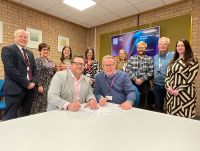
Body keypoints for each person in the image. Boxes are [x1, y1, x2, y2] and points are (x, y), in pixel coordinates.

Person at [1, 29, 37, 121]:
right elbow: (10, 70)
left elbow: (34, 70)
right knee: (10, 116)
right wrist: (26, 83)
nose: (23, 39)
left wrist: (33, 82)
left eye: (25, 37)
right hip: (14, 89)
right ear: (14, 37)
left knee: (25, 115)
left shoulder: (30, 53)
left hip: (30, 90)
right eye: (20, 36)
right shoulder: (7, 50)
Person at [165, 39, 199, 119]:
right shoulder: (172, 60)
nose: (180, 47)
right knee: (172, 118)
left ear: (186, 47)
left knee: (186, 118)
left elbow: (191, 76)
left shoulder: (192, 59)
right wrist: (168, 87)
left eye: (182, 46)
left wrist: (179, 89)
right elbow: (167, 76)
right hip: (171, 94)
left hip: (185, 94)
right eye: (178, 46)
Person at [127, 41, 153, 109]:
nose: (140, 49)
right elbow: (128, 71)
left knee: (144, 101)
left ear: (145, 49)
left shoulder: (149, 59)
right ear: (137, 48)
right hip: (133, 82)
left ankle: (143, 117)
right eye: (139, 47)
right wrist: (135, 79)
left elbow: (150, 72)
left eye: (142, 47)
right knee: (133, 100)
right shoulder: (131, 58)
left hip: (145, 83)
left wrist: (141, 80)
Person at [31, 43, 55, 114]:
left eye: (47, 50)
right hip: (42, 85)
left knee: (47, 103)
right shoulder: (38, 60)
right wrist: (39, 85)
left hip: (49, 85)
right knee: (40, 104)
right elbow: (37, 73)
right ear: (40, 50)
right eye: (44, 49)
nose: (46, 51)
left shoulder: (50, 61)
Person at [153, 37, 174, 112]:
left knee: (171, 105)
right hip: (156, 85)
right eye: (161, 44)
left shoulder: (174, 56)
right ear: (158, 46)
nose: (163, 45)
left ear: (168, 45)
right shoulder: (155, 57)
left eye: (165, 44)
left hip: (169, 86)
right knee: (158, 105)